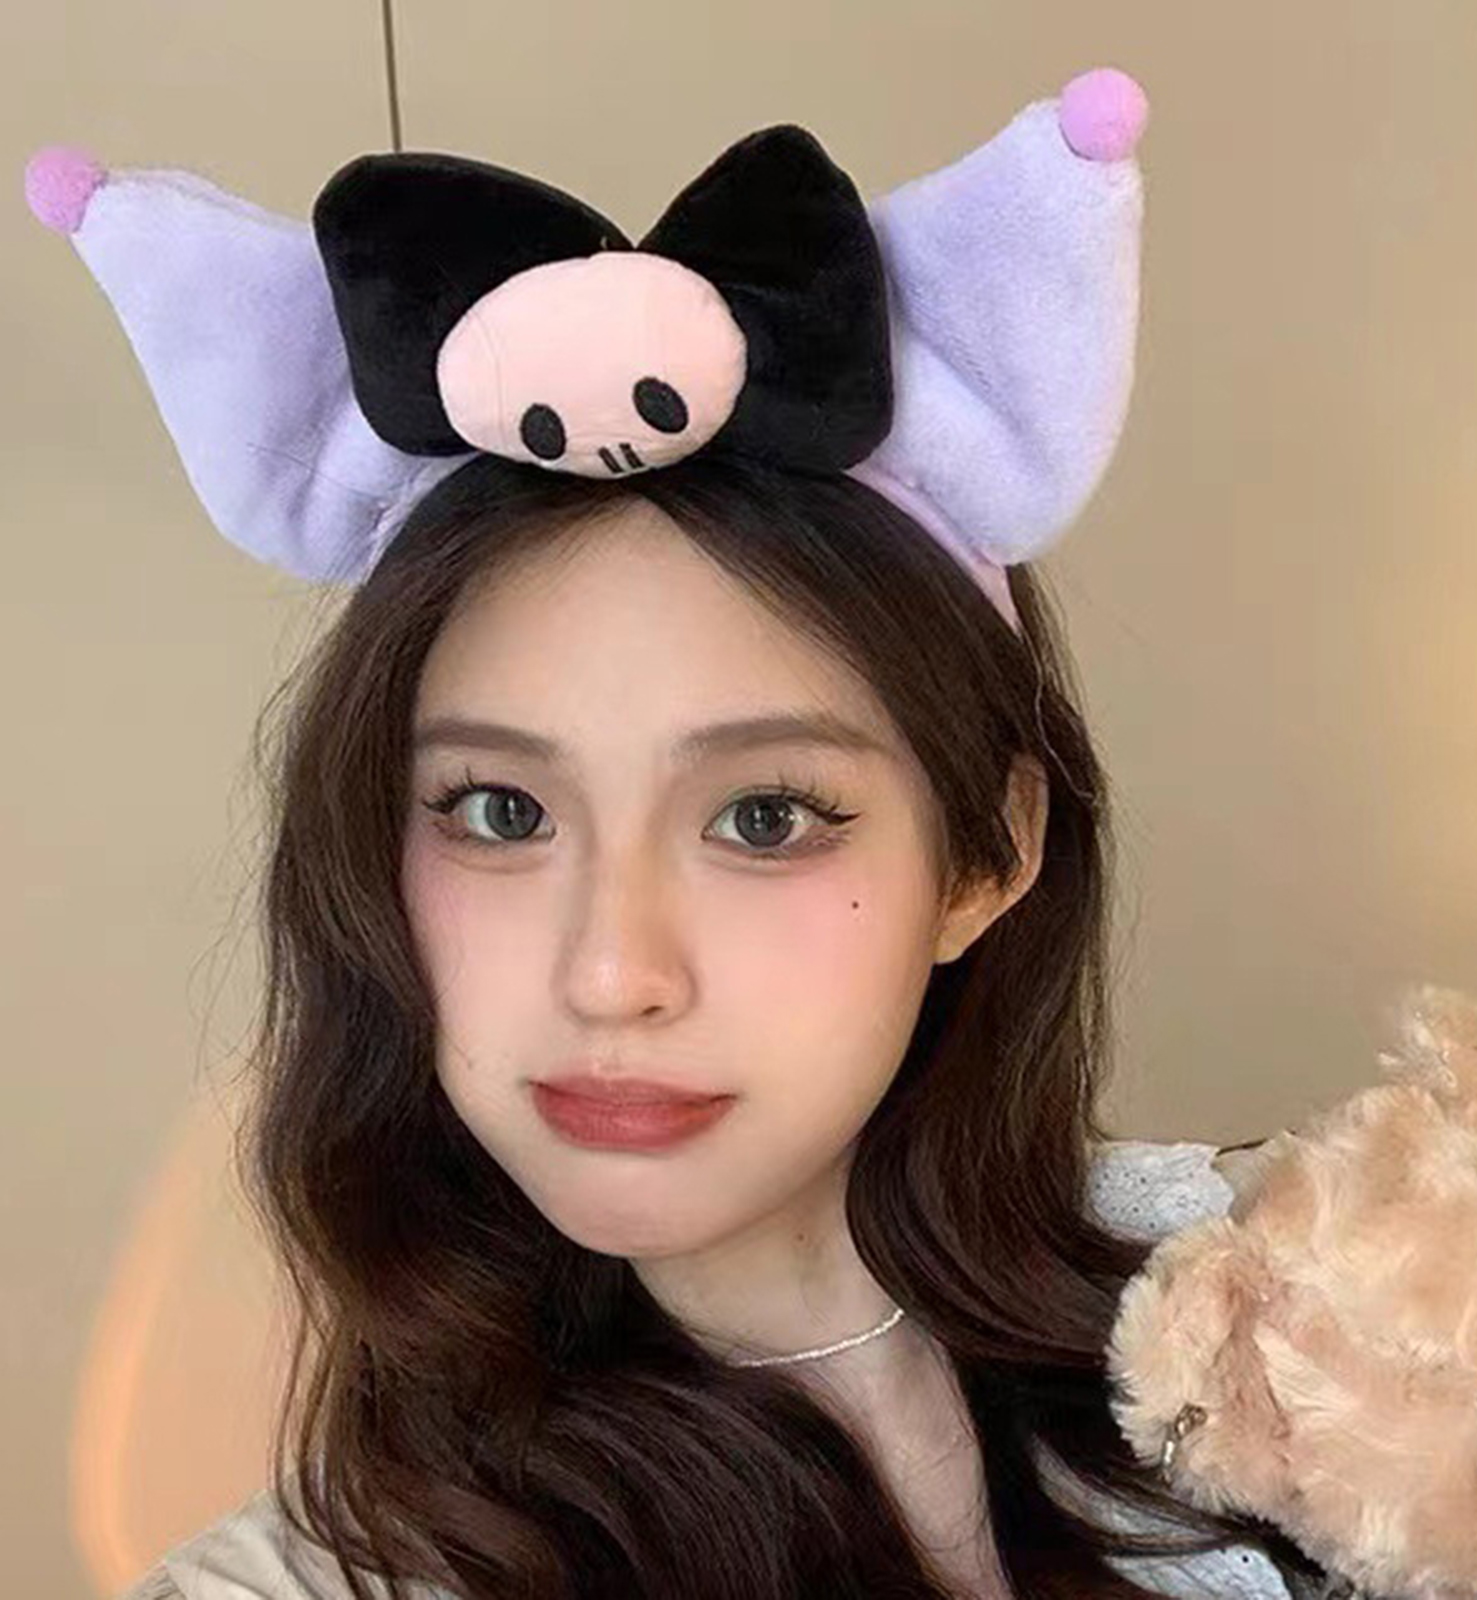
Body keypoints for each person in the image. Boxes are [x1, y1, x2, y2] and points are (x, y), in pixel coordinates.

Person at [28, 68, 1334, 1600]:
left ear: (986, 855)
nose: (611, 974)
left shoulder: (1345, 1332)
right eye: (500, 812)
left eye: (764, 817)